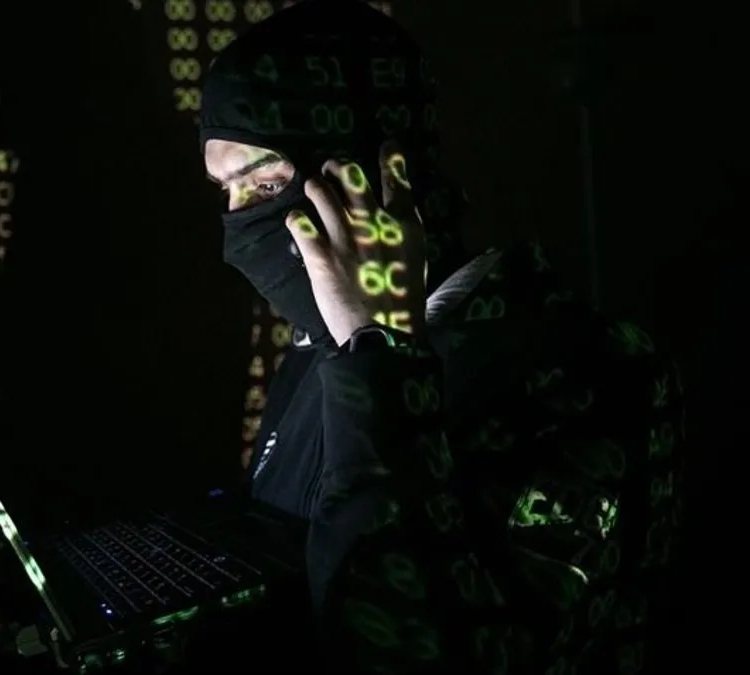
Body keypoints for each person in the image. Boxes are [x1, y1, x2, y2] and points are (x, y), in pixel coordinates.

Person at [199, 1, 684, 672]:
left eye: (265, 182)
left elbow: (433, 651)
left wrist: (382, 353)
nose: (239, 222)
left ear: (376, 172)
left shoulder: (595, 369)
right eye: (225, 191)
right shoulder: (315, 351)